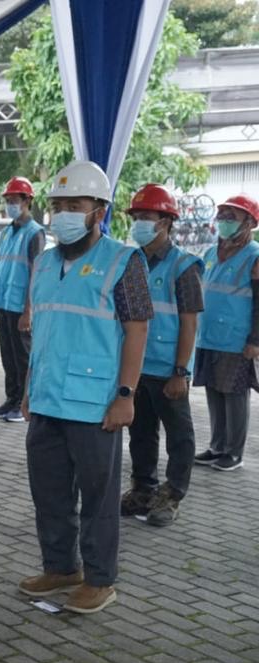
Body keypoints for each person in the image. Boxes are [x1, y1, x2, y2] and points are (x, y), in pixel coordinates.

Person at [18, 160, 151, 614]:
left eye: (74, 205)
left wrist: (126, 395)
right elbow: (44, 331)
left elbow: (137, 330)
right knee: (49, 493)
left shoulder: (122, 260)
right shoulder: (43, 262)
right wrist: (29, 390)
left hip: (96, 405)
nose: (63, 214)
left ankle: (99, 579)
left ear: (99, 211)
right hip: (48, 399)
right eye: (57, 205)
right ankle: (60, 567)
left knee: (97, 497)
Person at [120, 184, 203, 527]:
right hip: (138, 367)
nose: (139, 222)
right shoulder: (132, 260)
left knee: (179, 435)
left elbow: (189, 323)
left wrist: (180, 372)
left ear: (166, 221)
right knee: (140, 433)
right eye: (136, 216)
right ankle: (143, 488)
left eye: (147, 216)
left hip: (169, 368)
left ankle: (172, 495)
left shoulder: (184, 266)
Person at [193, 194, 259, 473]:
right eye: (222, 215)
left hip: (236, 338)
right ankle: (217, 446)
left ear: (250, 223)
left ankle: (234, 451)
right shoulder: (210, 253)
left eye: (232, 217)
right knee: (213, 390)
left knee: (234, 395)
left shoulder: (254, 256)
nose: (224, 221)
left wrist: (255, 340)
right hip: (208, 335)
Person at [0, 177, 45, 423]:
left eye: (14, 200)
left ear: (27, 201)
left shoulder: (35, 233)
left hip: (21, 306)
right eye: (8, 201)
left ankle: (23, 402)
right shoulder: (7, 232)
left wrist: (28, 311)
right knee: (8, 357)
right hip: (3, 304)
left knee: (22, 358)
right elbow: (1, 269)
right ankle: (11, 399)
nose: (10, 205)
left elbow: (36, 273)